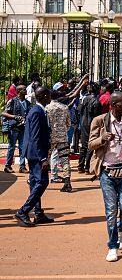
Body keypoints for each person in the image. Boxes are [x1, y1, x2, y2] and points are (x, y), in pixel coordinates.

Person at [88, 92, 122, 262]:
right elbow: (90, 143)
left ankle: (121, 228)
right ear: (113, 105)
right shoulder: (100, 121)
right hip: (107, 172)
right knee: (111, 211)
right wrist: (102, 139)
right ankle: (112, 245)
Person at [14, 87, 53, 227]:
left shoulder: (37, 110)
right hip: (37, 154)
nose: (50, 97)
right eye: (48, 94)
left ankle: (38, 213)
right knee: (42, 182)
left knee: (35, 182)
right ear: (43, 96)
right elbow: (35, 137)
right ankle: (23, 211)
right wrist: (43, 158)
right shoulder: (37, 111)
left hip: (33, 152)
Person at [46, 84, 73, 192]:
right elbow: (68, 123)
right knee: (65, 160)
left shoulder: (47, 108)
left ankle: (37, 179)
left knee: (44, 158)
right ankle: (67, 183)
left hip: (50, 138)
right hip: (62, 137)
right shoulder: (65, 107)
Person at [2, 84, 30, 173]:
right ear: (19, 91)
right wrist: (14, 117)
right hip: (13, 127)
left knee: (23, 147)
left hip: (23, 128)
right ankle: (8, 165)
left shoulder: (27, 103)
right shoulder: (12, 101)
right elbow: (4, 113)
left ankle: (22, 166)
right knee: (11, 147)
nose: (26, 90)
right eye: (24, 89)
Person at [78, 82, 102, 174]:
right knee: (91, 145)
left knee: (83, 145)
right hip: (91, 125)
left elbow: (79, 110)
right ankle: (87, 167)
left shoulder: (84, 99)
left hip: (83, 123)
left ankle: (81, 166)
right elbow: (97, 116)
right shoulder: (96, 101)